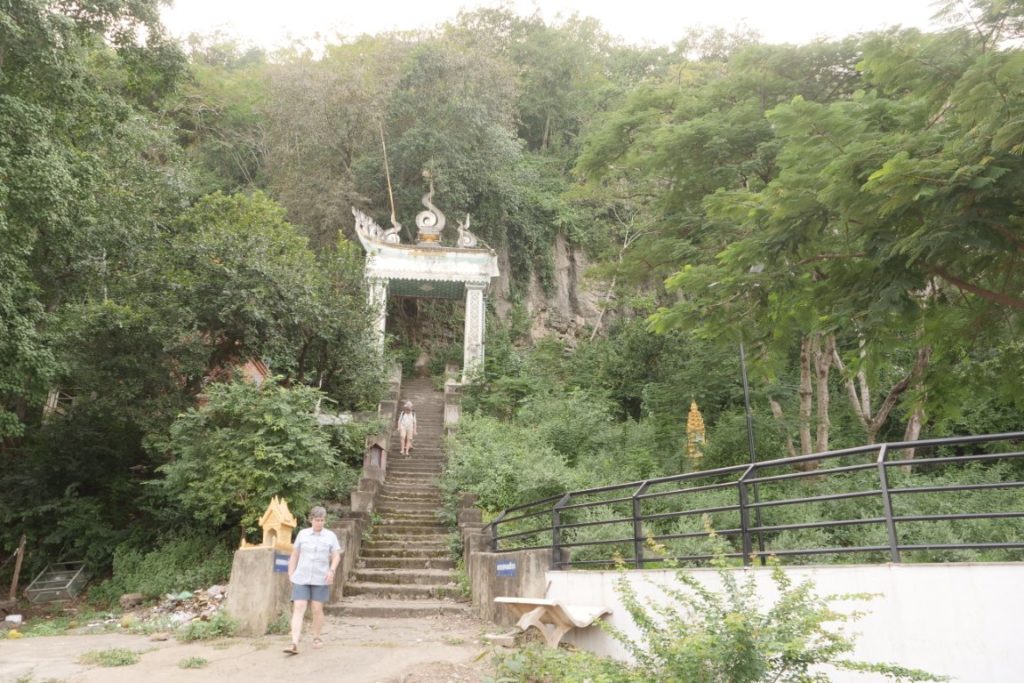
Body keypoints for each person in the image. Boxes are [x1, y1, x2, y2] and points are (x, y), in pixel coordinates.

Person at [284, 505, 340, 655]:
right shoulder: (302, 534)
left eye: (322, 520)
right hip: (301, 577)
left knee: (317, 609)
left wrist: (332, 570)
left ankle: (316, 637)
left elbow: (336, 556)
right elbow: (295, 555)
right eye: (317, 520)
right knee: (299, 607)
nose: (319, 523)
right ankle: (294, 643)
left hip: (321, 578)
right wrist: (291, 573)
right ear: (311, 520)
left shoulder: (330, 536)